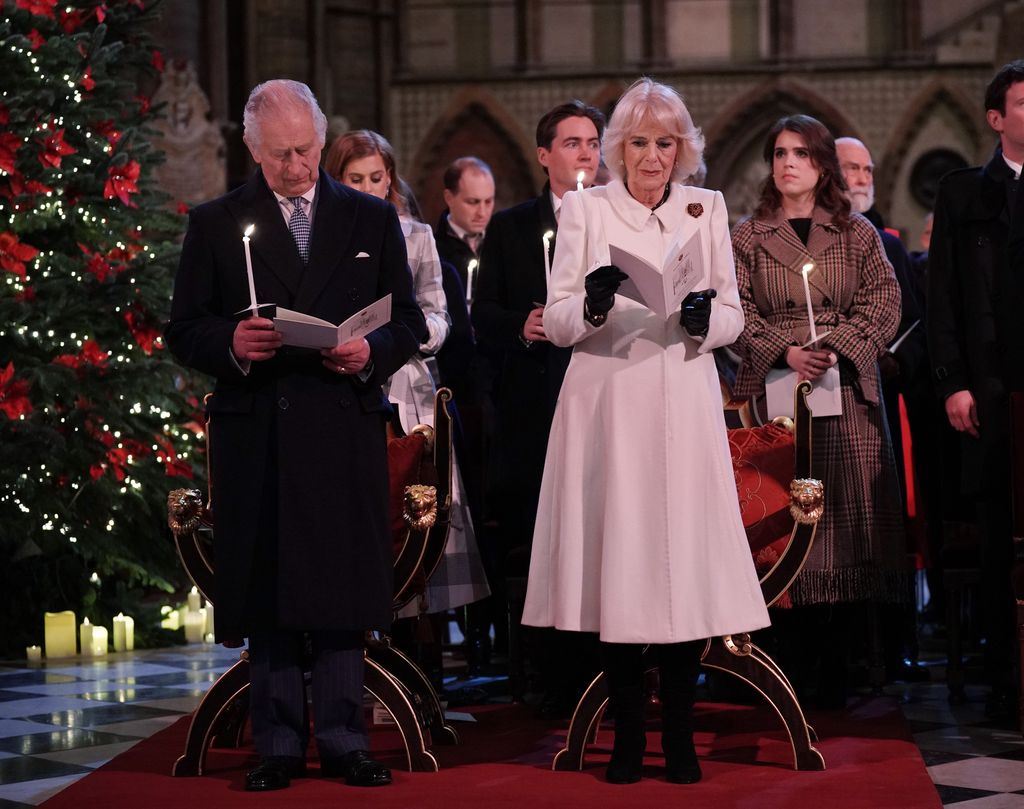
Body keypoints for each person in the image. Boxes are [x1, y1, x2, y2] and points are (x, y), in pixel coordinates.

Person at [165, 80, 426, 792]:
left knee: (342, 587)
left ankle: (345, 737)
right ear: (253, 148)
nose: (298, 165)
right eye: (280, 154)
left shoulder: (370, 219)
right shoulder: (219, 222)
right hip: (259, 431)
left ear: (321, 136)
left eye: (307, 150)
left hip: (342, 422)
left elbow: (410, 320)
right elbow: (183, 328)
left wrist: (372, 353)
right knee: (270, 584)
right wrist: (233, 341)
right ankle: (276, 741)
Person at [522, 78, 770, 785]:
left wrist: (705, 320)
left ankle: (681, 736)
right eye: (639, 144)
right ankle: (629, 734)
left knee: (681, 568)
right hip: (609, 403)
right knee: (621, 567)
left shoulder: (707, 206)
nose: (653, 157)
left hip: (683, 402)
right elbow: (559, 320)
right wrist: (593, 305)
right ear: (617, 150)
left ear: (683, 149)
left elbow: (732, 315)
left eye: (666, 143)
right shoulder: (586, 209)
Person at [731, 114, 907, 707]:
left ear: (823, 164)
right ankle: (787, 666)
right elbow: (735, 310)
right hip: (779, 396)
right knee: (785, 521)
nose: (788, 164)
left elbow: (886, 299)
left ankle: (846, 666)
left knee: (844, 526)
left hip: (846, 396)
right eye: (779, 153)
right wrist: (784, 350)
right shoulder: (749, 237)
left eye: (801, 154)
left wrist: (837, 348)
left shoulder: (856, 233)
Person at [323, 130, 491, 669]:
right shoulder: (325, 231)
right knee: (359, 524)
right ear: (337, 179)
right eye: (356, 179)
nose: (370, 188)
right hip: (343, 384)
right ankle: (355, 661)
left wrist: (401, 334)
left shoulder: (416, 235)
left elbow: (439, 317)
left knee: (418, 520)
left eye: (377, 178)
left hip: (408, 389)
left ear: (391, 179)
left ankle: (423, 673)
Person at [473, 100, 606, 716]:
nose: (584, 153)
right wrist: (523, 325)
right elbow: (484, 318)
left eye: (592, 142)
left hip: (602, 399)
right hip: (534, 411)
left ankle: (612, 676)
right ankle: (549, 681)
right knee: (541, 543)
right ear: (544, 154)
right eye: (571, 142)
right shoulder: (509, 227)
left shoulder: (614, 218)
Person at [928, 60, 1024, 716]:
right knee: (998, 532)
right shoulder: (965, 195)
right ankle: (1006, 674)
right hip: (991, 391)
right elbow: (944, 301)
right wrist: (953, 383)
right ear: (997, 119)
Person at [836, 136, 931, 681]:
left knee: (880, 522)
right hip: (820, 396)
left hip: (877, 401)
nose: (863, 178)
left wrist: (891, 360)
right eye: (851, 168)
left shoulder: (888, 243)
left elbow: (913, 323)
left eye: (868, 168)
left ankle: (889, 645)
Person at [434, 156, 496, 296]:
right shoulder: (432, 247)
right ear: (449, 198)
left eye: (488, 202)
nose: (482, 213)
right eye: (473, 202)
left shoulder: (501, 241)